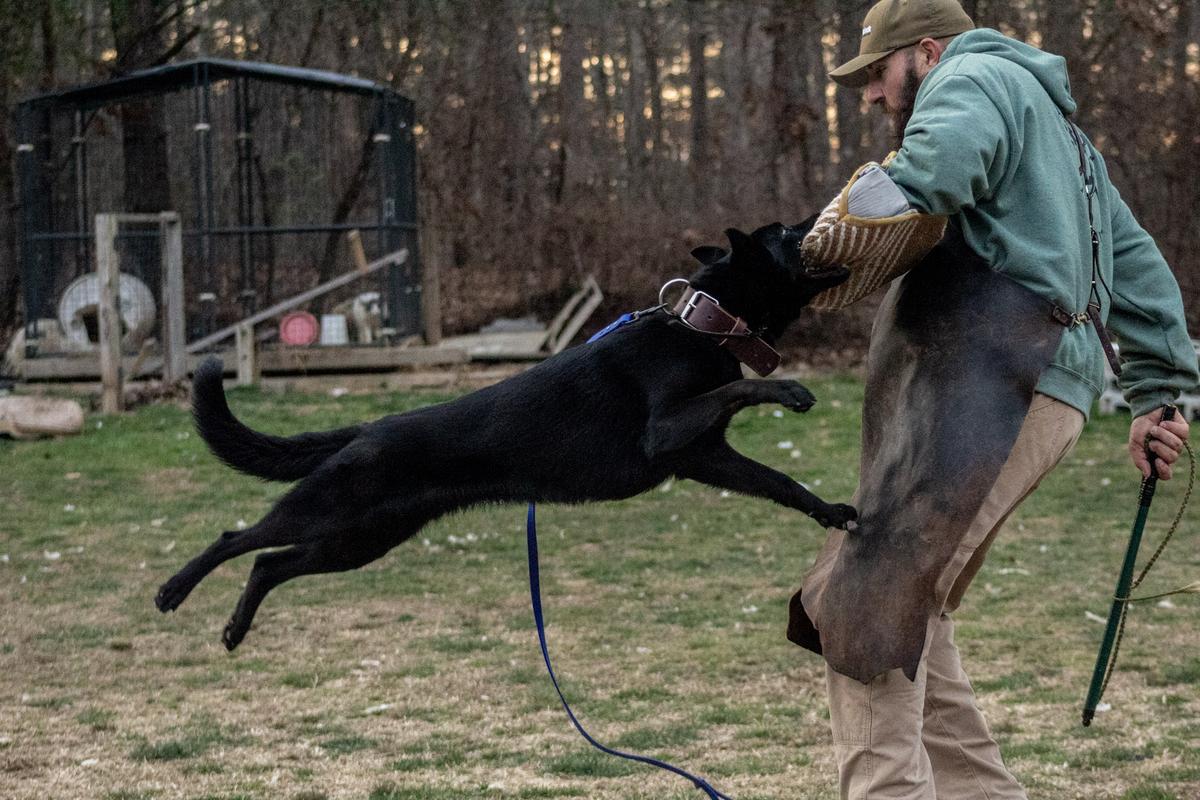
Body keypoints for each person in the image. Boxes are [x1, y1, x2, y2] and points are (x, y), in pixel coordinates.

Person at [789, 1, 1199, 798]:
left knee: (869, 614)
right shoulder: (1066, 139)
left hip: (992, 389)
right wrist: (1159, 392)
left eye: (877, 73)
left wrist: (818, 249)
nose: (872, 96)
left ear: (927, 50)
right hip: (1036, 393)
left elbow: (938, 168)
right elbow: (1140, 266)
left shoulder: (968, 76)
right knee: (917, 614)